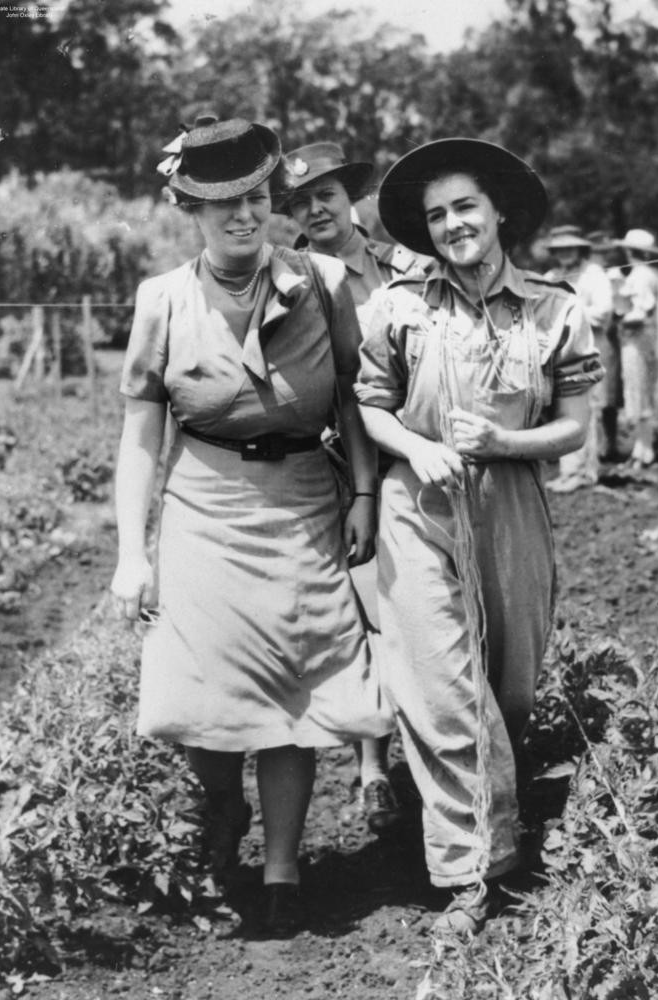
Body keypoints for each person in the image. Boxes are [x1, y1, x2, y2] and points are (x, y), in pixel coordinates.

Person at [110, 115, 392, 938]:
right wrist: (134, 555)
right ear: (188, 211)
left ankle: (282, 869)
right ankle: (219, 803)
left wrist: (364, 495)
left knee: (293, 684)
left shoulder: (326, 281)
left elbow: (352, 393)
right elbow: (140, 434)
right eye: (221, 204)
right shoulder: (161, 299)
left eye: (256, 199)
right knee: (209, 684)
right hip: (203, 504)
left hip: (305, 498)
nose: (242, 216)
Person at [354, 138, 603, 934]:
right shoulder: (399, 305)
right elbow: (369, 405)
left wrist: (504, 445)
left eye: (465, 207)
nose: (453, 224)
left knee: (512, 681)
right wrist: (416, 447)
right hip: (417, 500)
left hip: (511, 500)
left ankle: (509, 821)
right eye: (436, 215)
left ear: (498, 211)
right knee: (438, 684)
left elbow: (572, 428)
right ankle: (467, 874)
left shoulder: (555, 308)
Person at [282, 141, 429, 835]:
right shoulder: (287, 275)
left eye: (326, 196)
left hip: (415, 455)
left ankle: (439, 751)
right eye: (299, 203)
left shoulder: (406, 267)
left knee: (428, 607)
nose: (315, 210)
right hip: (340, 464)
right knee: (367, 611)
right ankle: (373, 768)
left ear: (351, 198)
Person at [543, 225, 613, 491]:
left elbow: (604, 312)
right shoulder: (552, 276)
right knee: (563, 408)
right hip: (560, 351)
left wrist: (569, 312)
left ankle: (585, 472)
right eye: (559, 250)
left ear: (580, 248)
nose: (564, 254)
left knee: (586, 407)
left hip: (590, 347)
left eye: (569, 248)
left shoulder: (594, 274)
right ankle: (568, 470)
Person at [614, 229, 658, 468]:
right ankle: (640, 448)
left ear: (629, 250)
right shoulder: (641, 273)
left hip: (637, 338)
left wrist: (618, 319)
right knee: (637, 390)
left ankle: (646, 450)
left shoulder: (641, 275)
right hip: (635, 339)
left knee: (639, 388)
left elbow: (642, 312)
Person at [586, 230, 625, 461]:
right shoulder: (592, 273)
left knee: (611, 395)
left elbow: (619, 307)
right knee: (597, 394)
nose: (605, 255)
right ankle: (598, 447)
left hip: (612, 336)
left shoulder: (613, 273)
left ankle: (610, 444)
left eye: (608, 251)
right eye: (600, 251)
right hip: (599, 336)